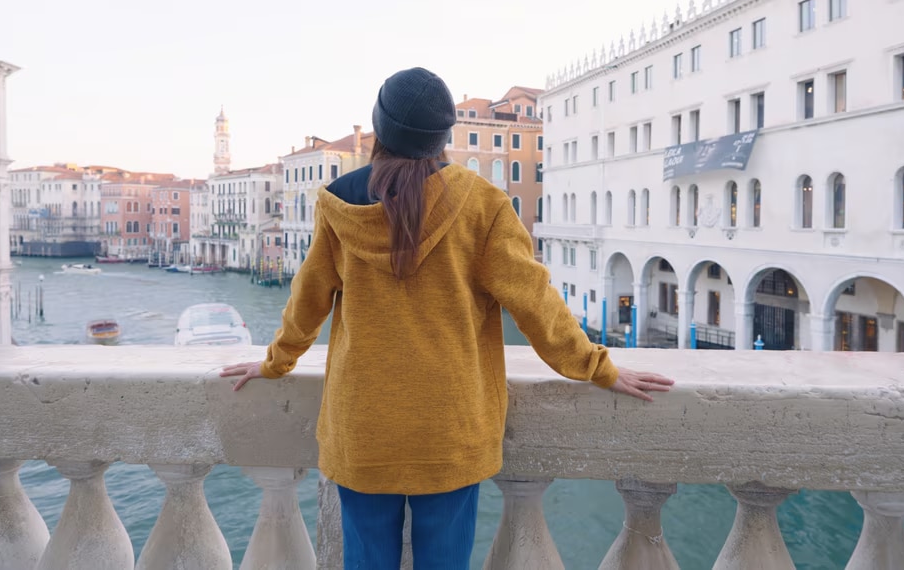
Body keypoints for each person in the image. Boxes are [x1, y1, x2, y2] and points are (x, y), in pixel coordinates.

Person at [221, 67, 674, 569]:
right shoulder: (482, 204)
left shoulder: (337, 204)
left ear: (379, 130)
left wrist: (276, 362)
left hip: (363, 425)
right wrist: (598, 367)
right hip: (450, 428)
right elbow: (535, 303)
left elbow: (308, 300)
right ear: (444, 136)